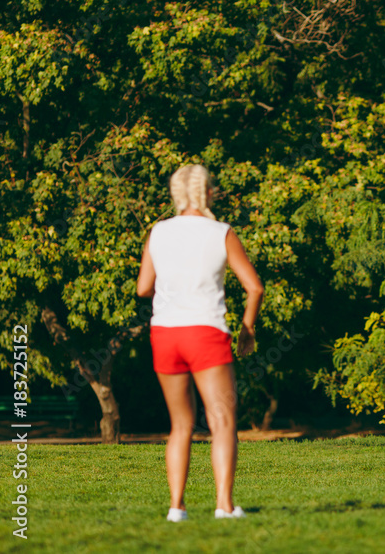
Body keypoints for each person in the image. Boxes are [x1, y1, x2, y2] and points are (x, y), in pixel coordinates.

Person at [136, 164, 263, 522]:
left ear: (176, 194)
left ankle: (176, 508)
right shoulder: (221, 232)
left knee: (180, 424)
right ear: (208, 193)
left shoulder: (157, 232)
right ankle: (224, 506)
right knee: (222, 419)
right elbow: (255, 287)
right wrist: (247, 330)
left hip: (165, 333)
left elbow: (143, 288)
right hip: (205, 331)